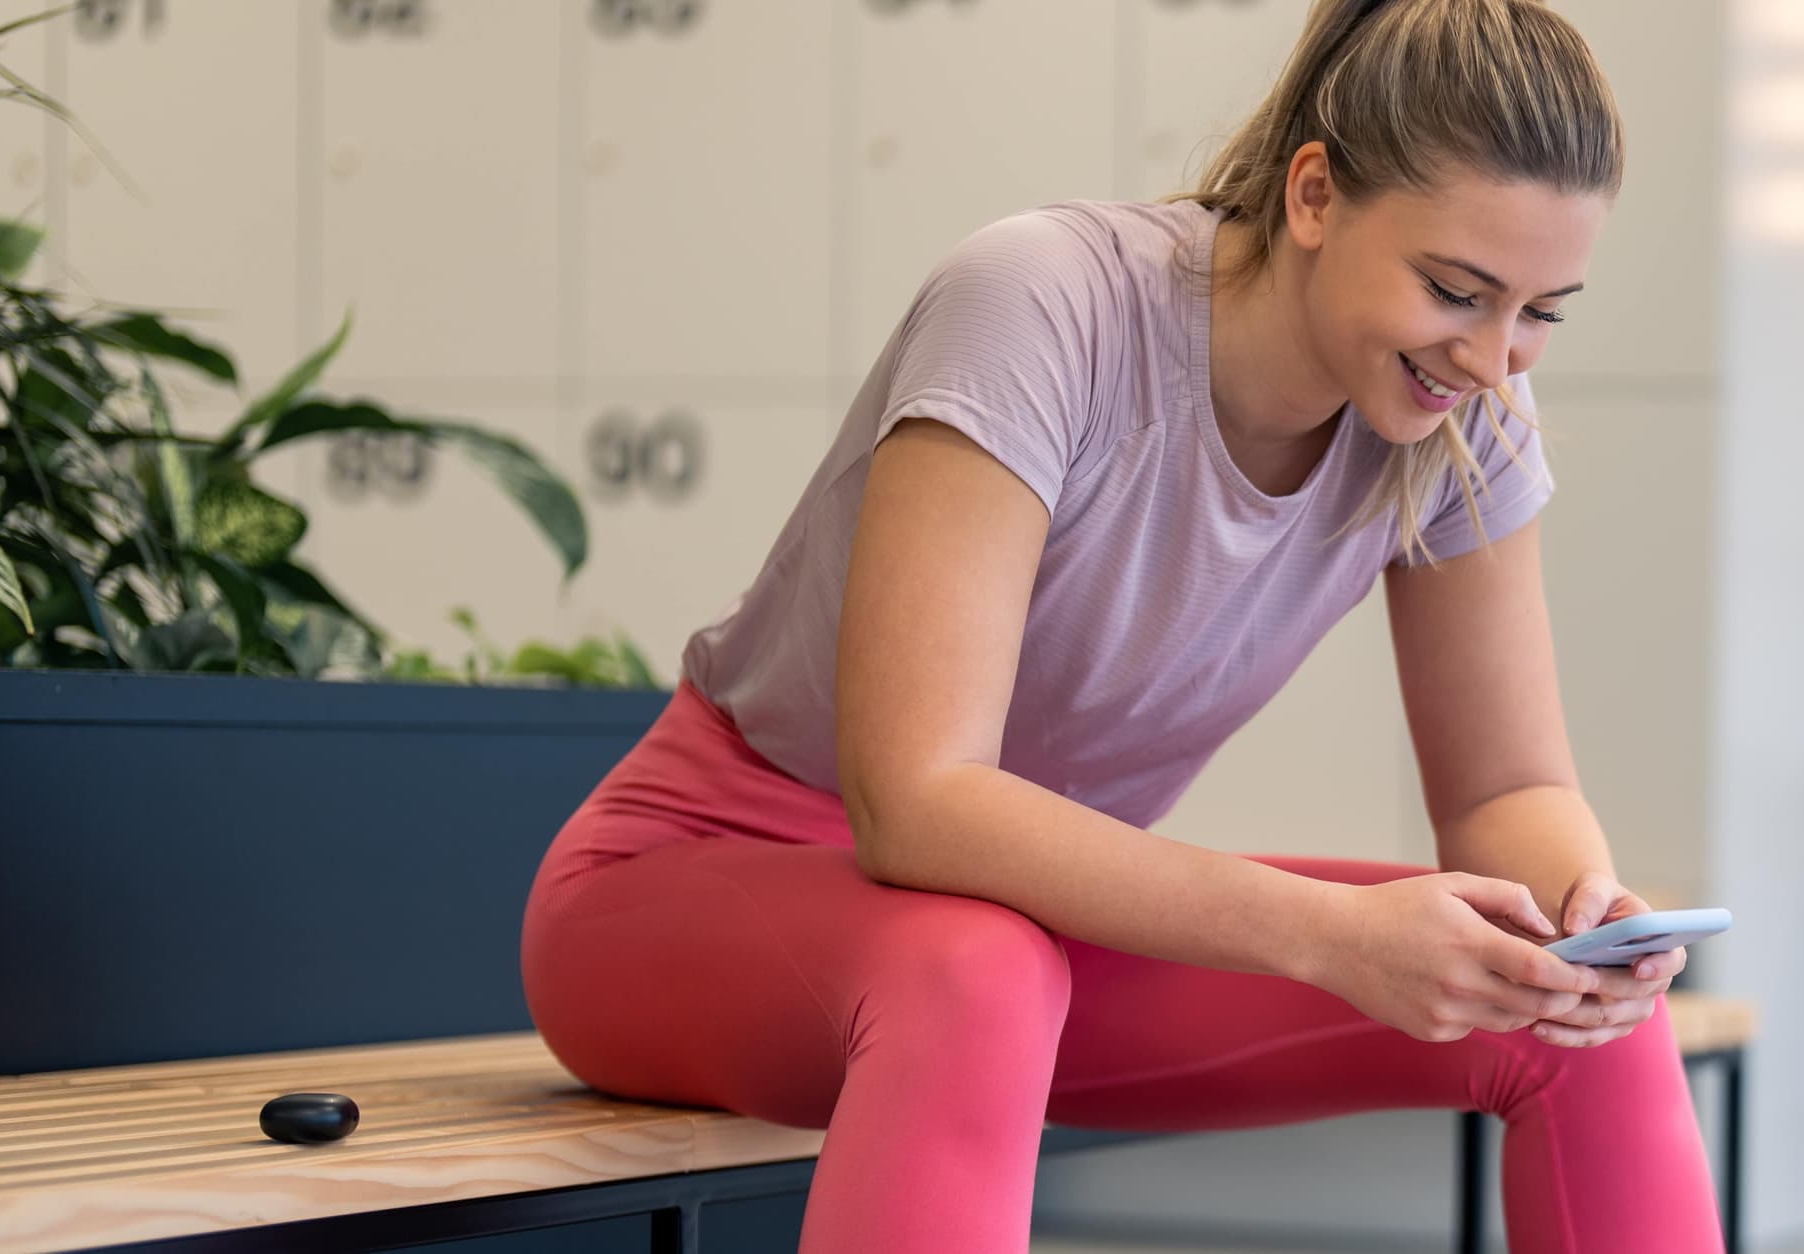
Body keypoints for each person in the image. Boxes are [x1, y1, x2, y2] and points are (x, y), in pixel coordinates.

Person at [515, 2, 1716, 1248]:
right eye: (1456, 290)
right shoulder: (1040, 304)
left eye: (1541, 312)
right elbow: (917, 801)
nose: (1491, 357)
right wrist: (1327, 935)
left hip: (1030, 936)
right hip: (696, 891)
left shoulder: (1465, 415)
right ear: (1315, 194)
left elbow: (1509, 784)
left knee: (1578, 1032)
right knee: (978, 973)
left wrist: (1582, 920)